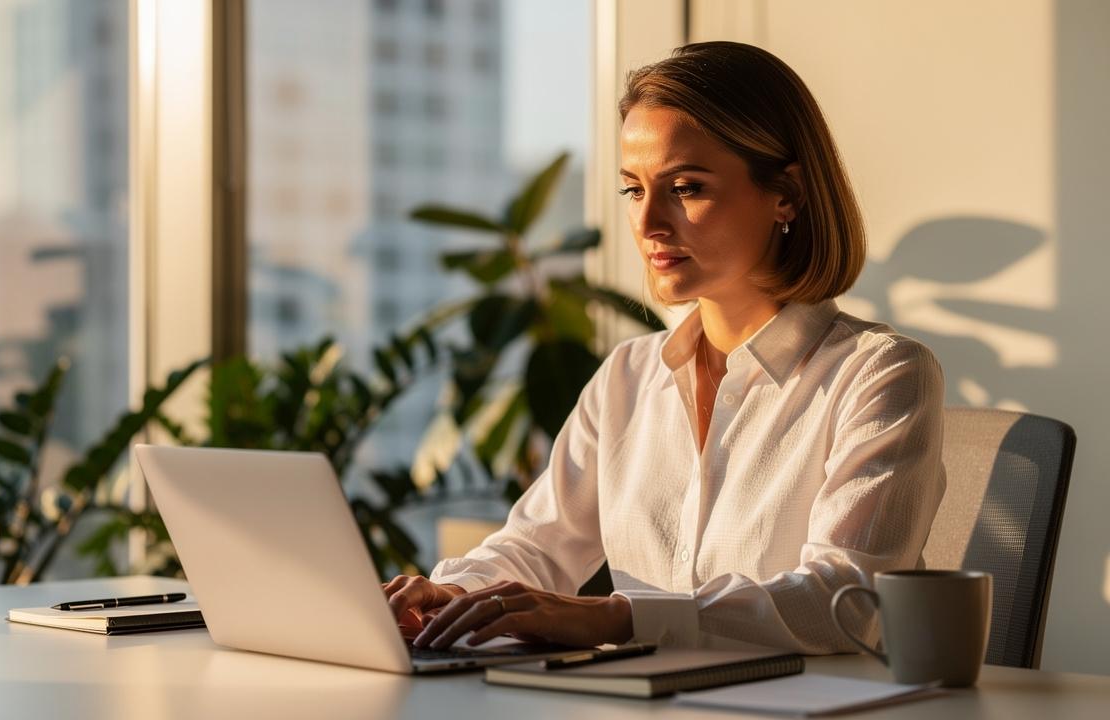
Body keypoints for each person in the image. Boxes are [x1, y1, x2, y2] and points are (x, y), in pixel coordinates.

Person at [385, 41, 945, 655]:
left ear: (786, 194)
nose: (649, 221)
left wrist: (617, 618)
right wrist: (455, 593)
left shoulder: (881, 375)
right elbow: (538, 546)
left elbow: (844, 602)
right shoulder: (627, 374)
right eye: (633, 190)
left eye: (685, 187)